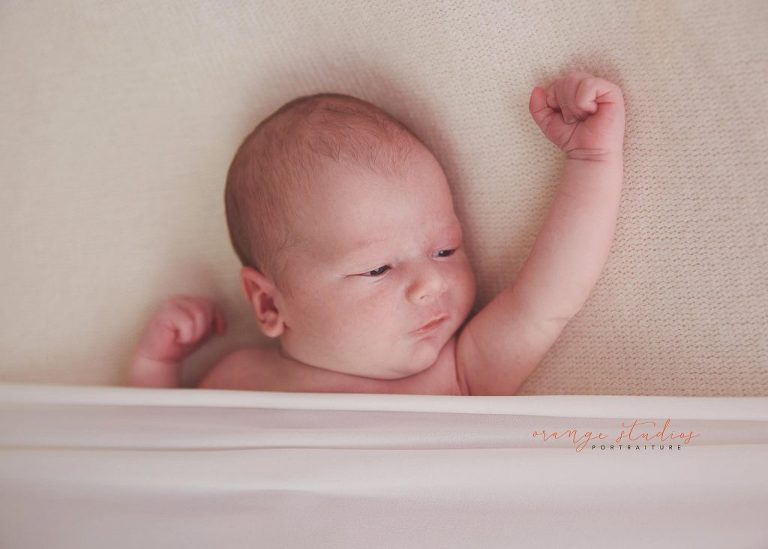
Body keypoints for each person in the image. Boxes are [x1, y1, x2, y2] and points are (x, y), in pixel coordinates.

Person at [129, 71, 625, 395]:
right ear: (268, 305)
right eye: (378, 268)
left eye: (445, 249)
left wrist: (592, 160)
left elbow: (547, 299)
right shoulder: (236, 381)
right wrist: (154, 373)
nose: (431, 283)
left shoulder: (456, 374)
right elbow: (159, 465)